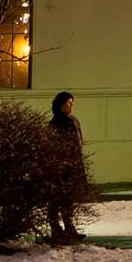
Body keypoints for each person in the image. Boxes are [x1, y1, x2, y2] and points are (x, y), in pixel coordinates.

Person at [47, 91, 86, 244]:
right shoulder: (56, 123)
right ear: (61, 105)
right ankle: (57, 229)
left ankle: (69, 228)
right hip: (62, 166)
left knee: (68, 199)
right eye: (69, 103)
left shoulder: (73, 120)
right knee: (57, 199)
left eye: (72, 103)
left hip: (73, 164)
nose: (71, 105)